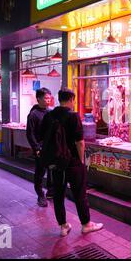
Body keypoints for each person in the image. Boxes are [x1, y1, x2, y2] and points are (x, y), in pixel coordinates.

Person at [40, 88, 103, 237]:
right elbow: (80, 142)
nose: (74, 103)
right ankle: (86, 224)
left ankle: (63, 226)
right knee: (80, 193)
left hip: (56, 163)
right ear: (70, 100)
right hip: (73, 162)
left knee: (58, 194)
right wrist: (81, 161)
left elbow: (42, 136)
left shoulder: (49, 115)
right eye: (74, 100)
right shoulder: (73, 116)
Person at [26, 88, 54, 208]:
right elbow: (30, 133)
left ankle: (50, 192)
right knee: (40, 172)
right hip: (40, 148)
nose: (48, 101)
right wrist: (36, 148)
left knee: (51, 171)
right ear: (38, 99)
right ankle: (40, 195)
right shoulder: (33, 114)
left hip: (50, 148)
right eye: (46, 98)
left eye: (49, 98)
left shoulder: (50, 112)